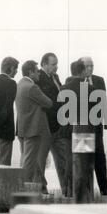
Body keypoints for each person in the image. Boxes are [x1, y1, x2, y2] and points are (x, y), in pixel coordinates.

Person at [59, 60, 96, 202]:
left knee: (70, 162)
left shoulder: (64, 89)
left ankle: (70, 192)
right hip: (85, 129)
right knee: (85, 163)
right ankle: (87, 194)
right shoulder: (91, 90)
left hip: (68, 130)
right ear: (82, 72)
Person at [15, 60, 53, 193]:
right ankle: (22, 191)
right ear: (30, 72)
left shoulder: (20, 85)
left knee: (31, 161)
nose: (39, 74)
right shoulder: (32, 87)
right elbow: (48, 103)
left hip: (22, 129)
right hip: (33, 130)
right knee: (29, 163)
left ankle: (41, 187)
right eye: (37, 71)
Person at [80, 56, 107, 195]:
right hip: (82, 126)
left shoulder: (99, 80)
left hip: (97, 125)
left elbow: (103, 101)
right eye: (87, 66)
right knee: (83, 157)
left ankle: (104, 187)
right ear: (81, 67)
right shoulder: (76, 81)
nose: (90, 68)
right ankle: (85, 189)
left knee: (100, 156)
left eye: (92, 66)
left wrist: (106, 122)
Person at [36, 52, 68, 196]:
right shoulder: (38, 78)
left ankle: (66, 189)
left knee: (62, 160)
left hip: (57, 125)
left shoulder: (55, 77)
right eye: (53, 64)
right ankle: (41, 189)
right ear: (44, 64)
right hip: (45, 126)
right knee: (41, 160)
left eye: (57, 64)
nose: (56, 67)